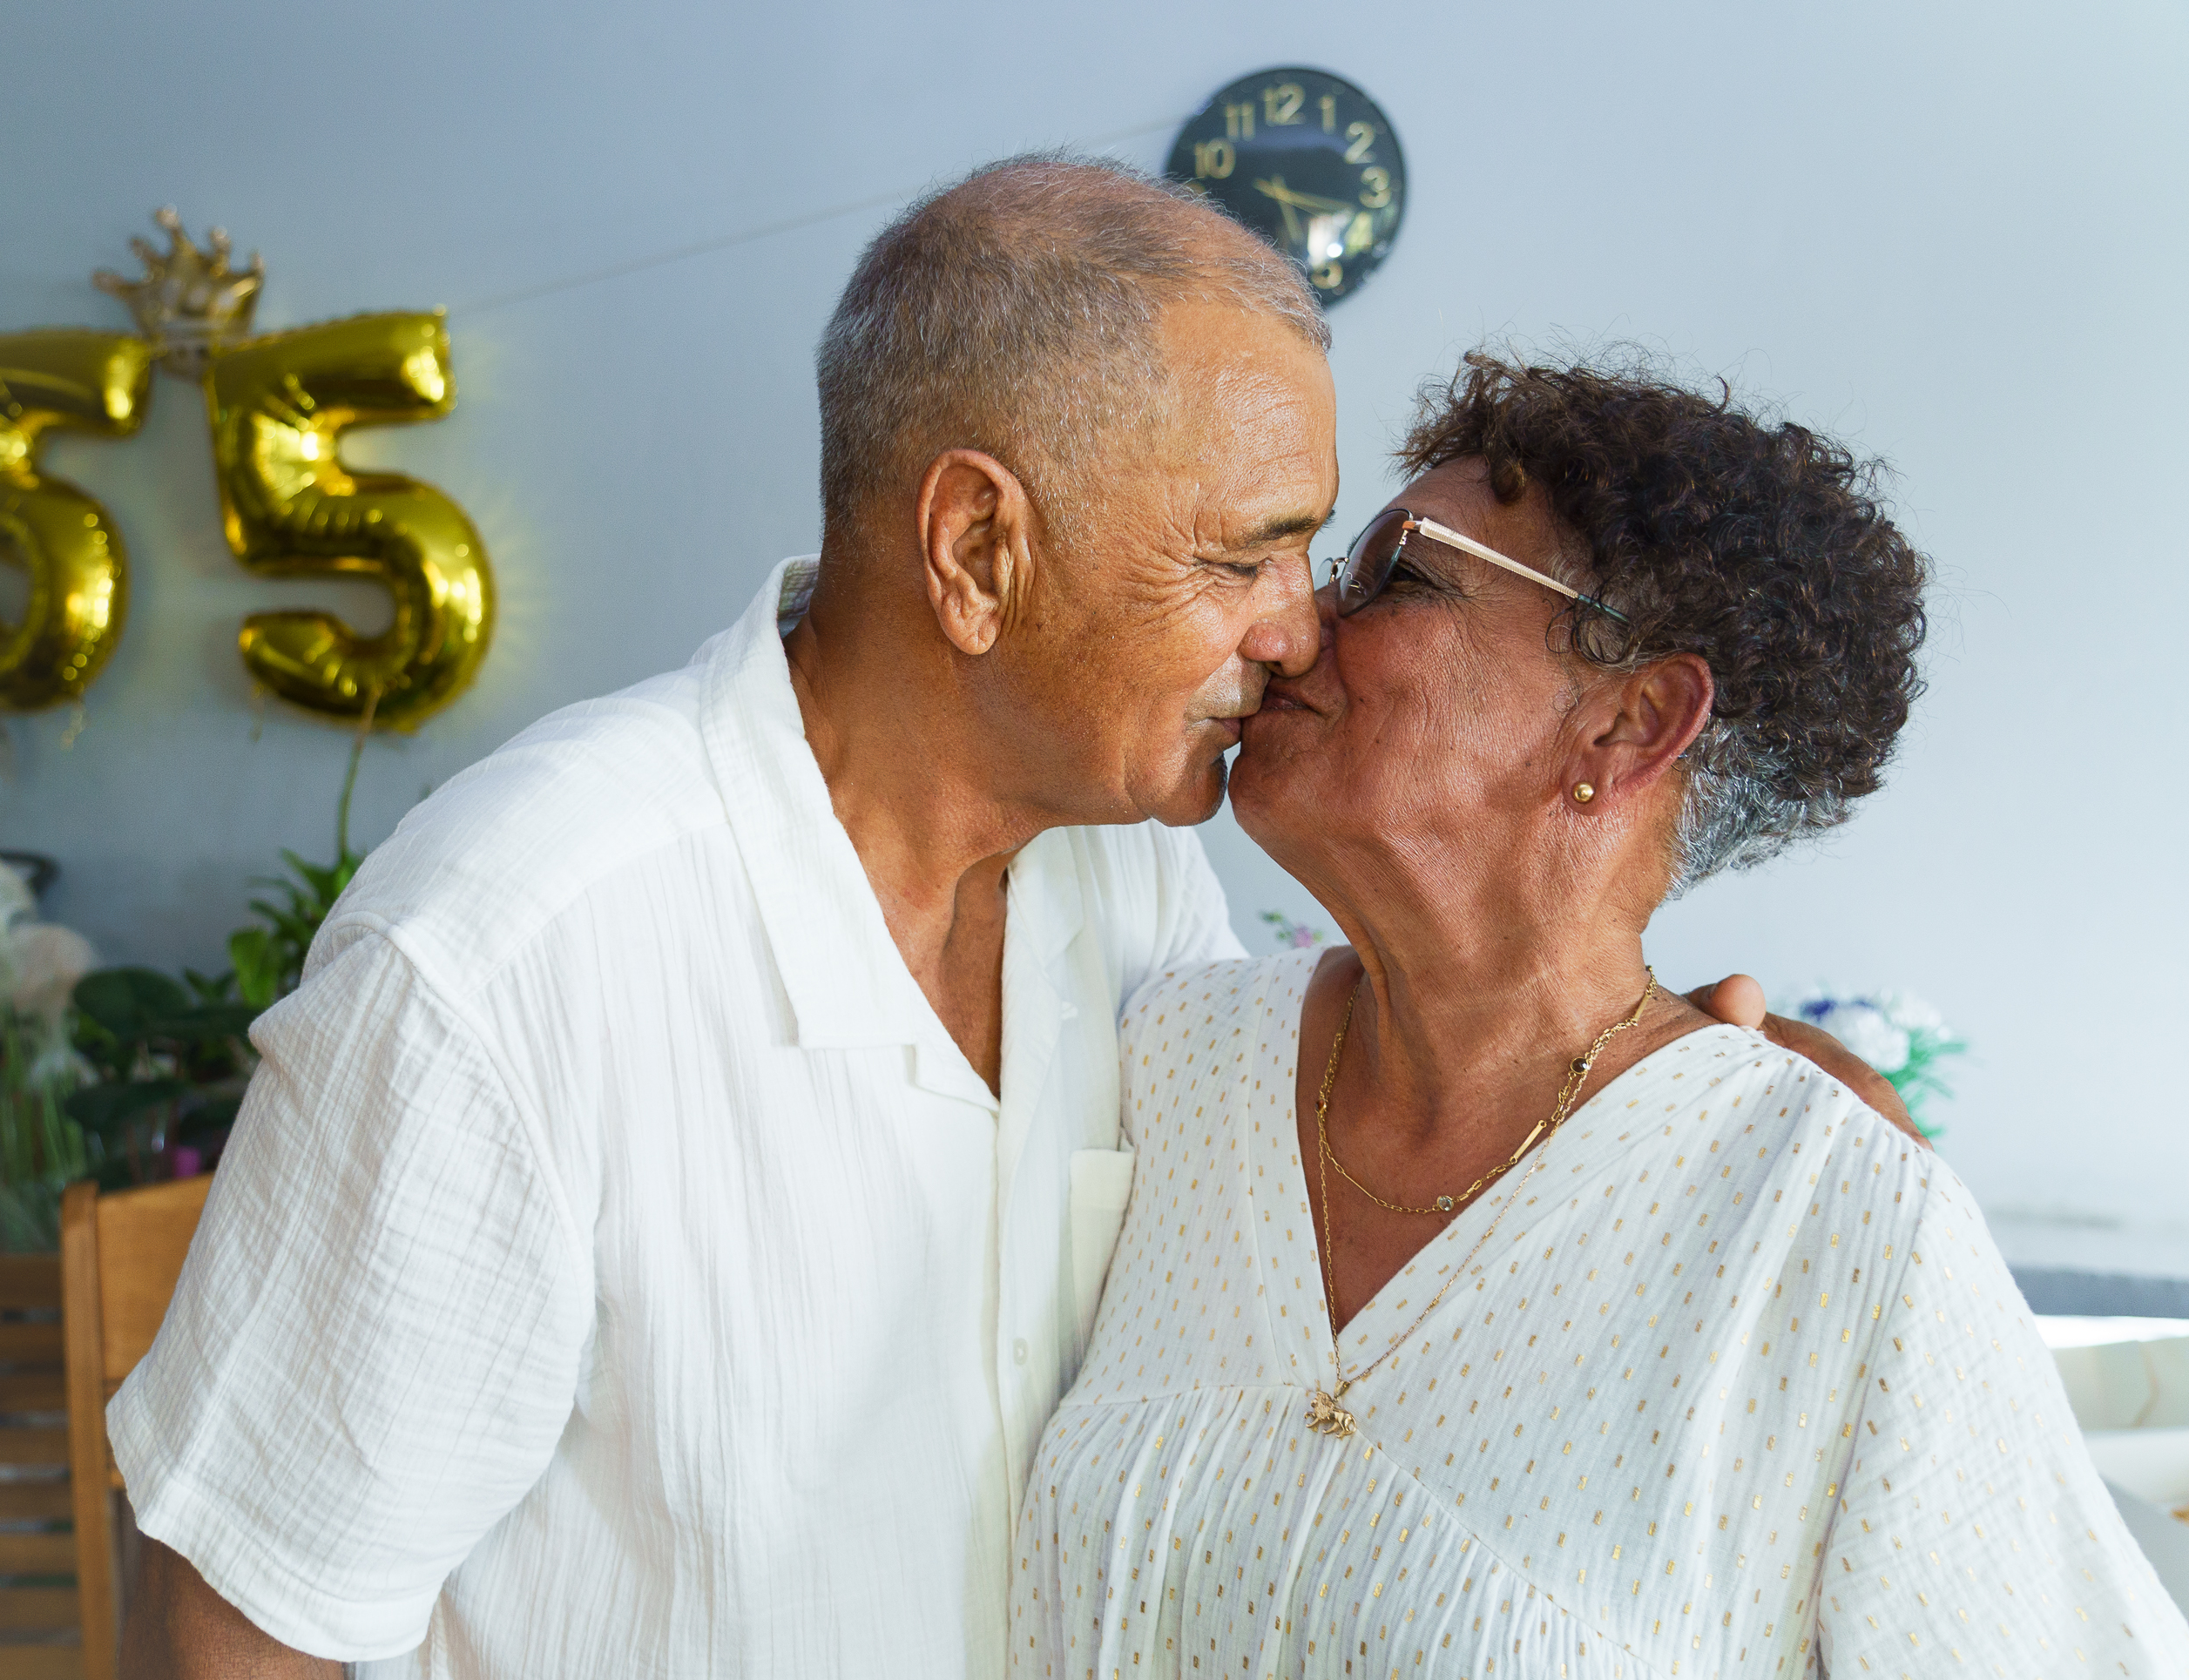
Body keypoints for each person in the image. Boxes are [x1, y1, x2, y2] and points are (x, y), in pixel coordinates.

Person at [114, 161, 1900, 1678]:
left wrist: (1683, 1098)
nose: (1297, 630)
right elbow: (243, 1624)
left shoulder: (1121, 874)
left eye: (1323, 556)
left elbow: (1321, 1166)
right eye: (1242, 556)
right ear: (975, 550)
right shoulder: (518, 952)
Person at [1010, 353, 2189, 1675]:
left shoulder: (1835, 1231)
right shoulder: (1164, 1064)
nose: (1288, 627)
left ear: (1626, 725)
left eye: (1395, 571)